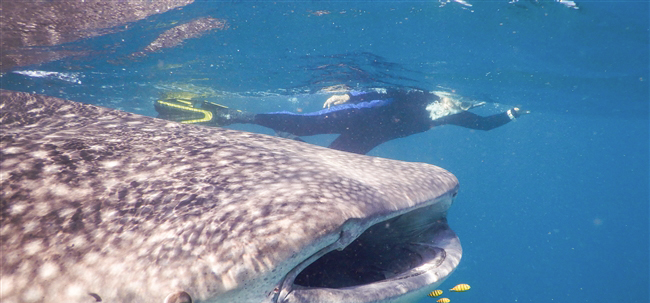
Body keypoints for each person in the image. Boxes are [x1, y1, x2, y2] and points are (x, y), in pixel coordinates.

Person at [154, 88, 528, 155]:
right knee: (303, 125)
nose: (463, 104)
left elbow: (485, 125)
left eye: (467, 102)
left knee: (333, 163)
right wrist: (351, 95)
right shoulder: (426, 96)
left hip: (370, 135)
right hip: (360, 115)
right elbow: (387, 89)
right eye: (463, 99)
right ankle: (229, 115)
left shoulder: (455, 113)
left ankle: (282, 145)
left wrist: (514, 112)